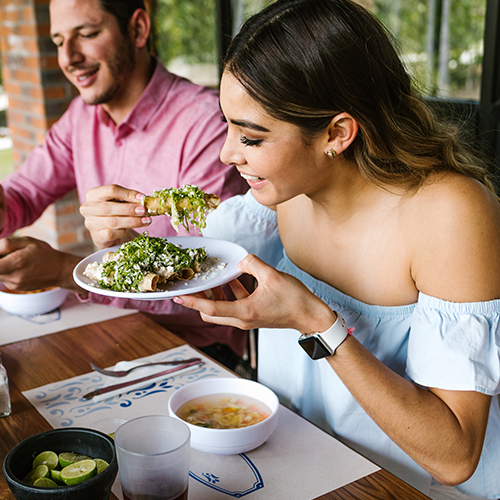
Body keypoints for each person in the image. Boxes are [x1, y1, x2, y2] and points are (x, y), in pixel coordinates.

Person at [169, 0, 500, 498]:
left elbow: (454, 457)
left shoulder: (450, 212)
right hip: (303, 466)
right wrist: (124, 239)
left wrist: (316, 322)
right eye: (228, 125)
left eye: (252, 137)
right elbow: (203, 261)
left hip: (405, 487)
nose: (226, 154)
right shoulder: (285, 189)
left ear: (336, 133)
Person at [0, 0, 248, 368]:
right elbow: (20, 196)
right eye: (57, 41)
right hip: (112, 327)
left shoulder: (204, 125)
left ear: (138, 30)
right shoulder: (80, 118)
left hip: (199, 352)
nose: (68, 57)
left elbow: (218, 285)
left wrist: (65, 271)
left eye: (86, 34)